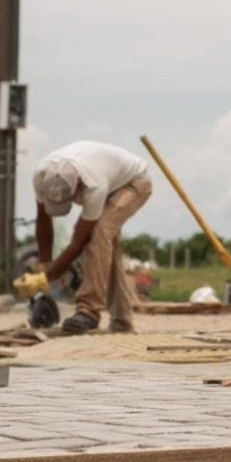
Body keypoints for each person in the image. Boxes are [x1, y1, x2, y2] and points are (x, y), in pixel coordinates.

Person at [32, 141, 152, 334]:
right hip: (110, 177)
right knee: (106, 247)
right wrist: (45, 265)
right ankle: (122, 323)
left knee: (99, 234)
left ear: (77, 185)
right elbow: (43, 220)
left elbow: (79, 241)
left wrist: (55, 271)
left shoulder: (94, 185)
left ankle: (89, 311)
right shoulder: (41, 175)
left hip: (134, 183)